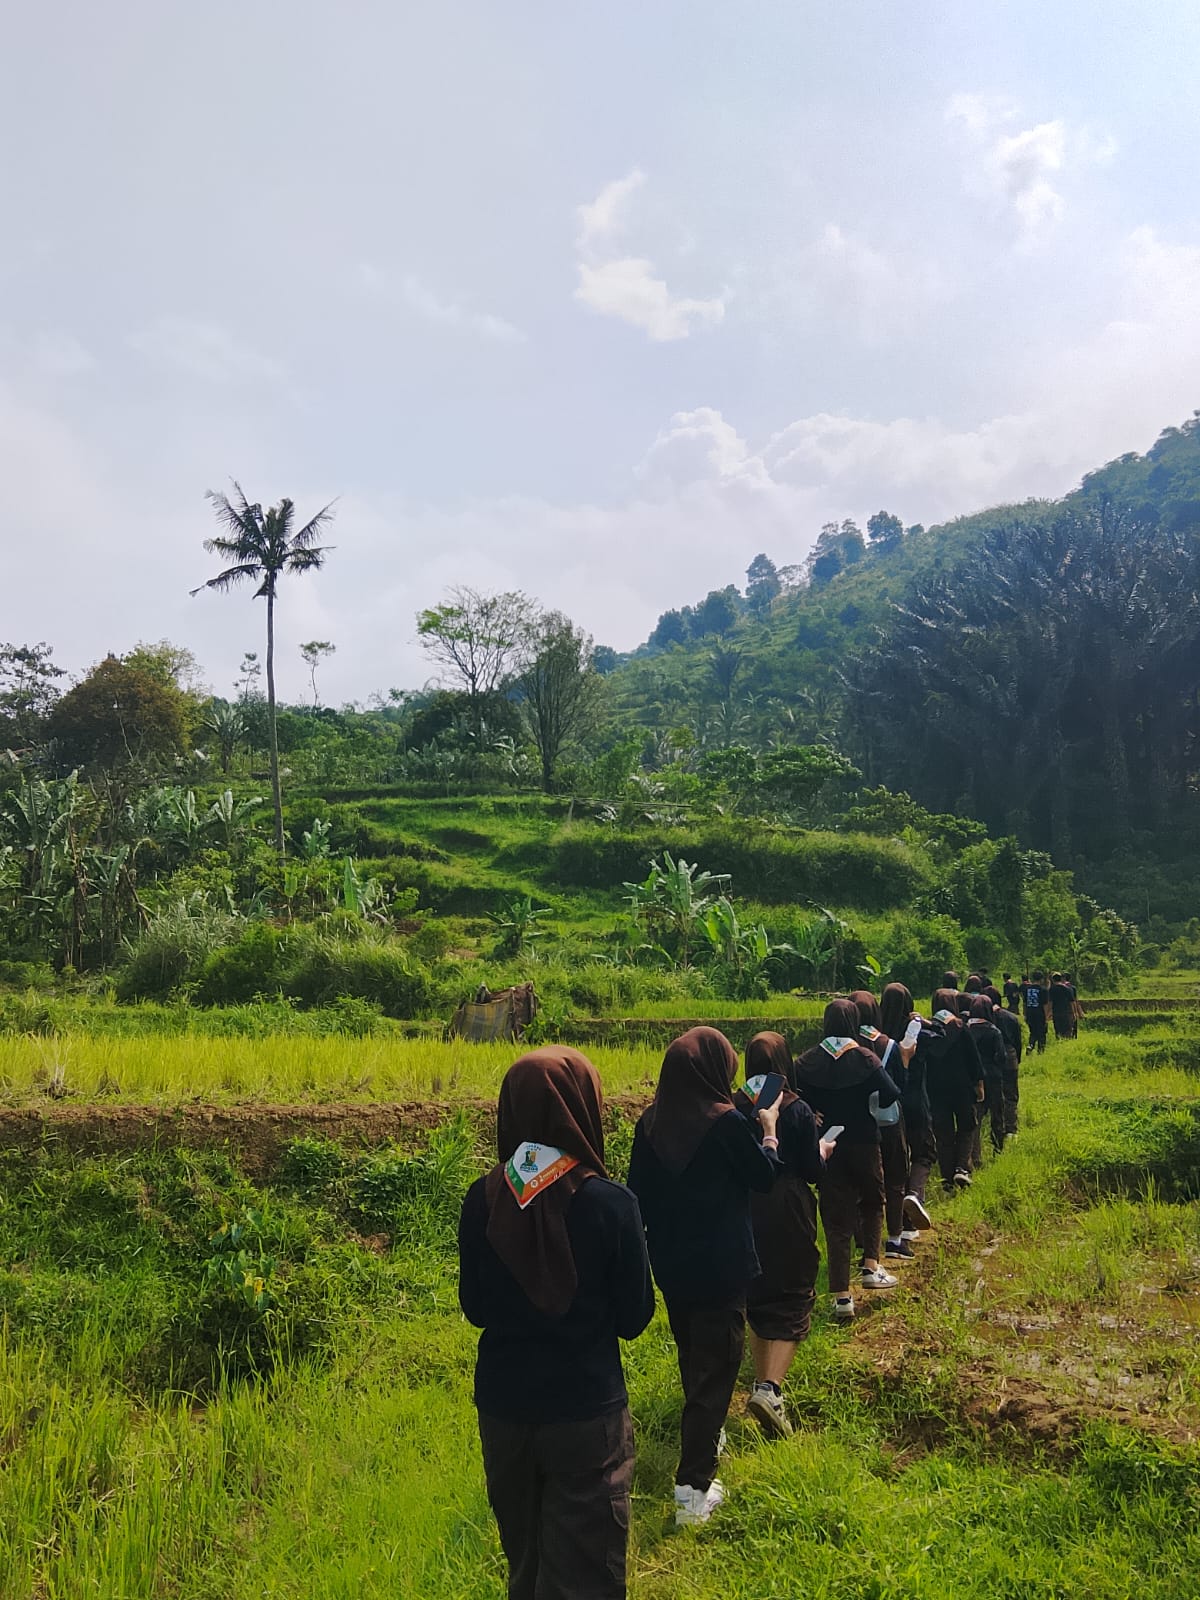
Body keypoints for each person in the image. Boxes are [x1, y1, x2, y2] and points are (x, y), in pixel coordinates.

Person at [458, 1048, 655, 1600]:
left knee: (526, 1565)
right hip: (585, 1414)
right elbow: (635, 1318)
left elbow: (474, 1308)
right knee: (586, 1573)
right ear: (580, 1107)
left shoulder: (482, 1200)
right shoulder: (612, 1204)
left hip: (504, 1412)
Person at [628, 1027, 781, 1526]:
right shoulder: (727, 1123)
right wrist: (770, 1131)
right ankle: (692, 1493)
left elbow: (637, 1198)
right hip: (722, 1268)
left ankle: (705, 1443)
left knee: (695, 1360)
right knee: (717, 1372)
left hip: (672, 1266)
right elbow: (763, 1177)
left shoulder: (648, 1125)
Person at [734, 1031, 830, 1440]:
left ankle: (760, 1382)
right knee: (794, 1293)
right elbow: (811, 1170)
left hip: (744, 1208)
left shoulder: (732, 1106)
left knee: (756, 1292)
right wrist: (822, 1152)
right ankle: (771, 1389)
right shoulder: (796, 1107)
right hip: (788, 1206)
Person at [792, 999, 900, 1322]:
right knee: (871, 1201)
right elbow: (892, 1092)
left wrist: (813, 1112)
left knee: (837, 1220)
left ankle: (842, 1297)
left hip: (828, 1145)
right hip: (865, 1142)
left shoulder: (808, 1060)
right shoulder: (865, 1058)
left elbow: (792, 1095)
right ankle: (870, 1265)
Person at [849, 989, 915, 1261]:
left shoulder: (844, 1045)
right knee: (896, 1178)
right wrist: (906, 1060)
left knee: (857, 1184)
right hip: (887, 1121)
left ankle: (863, 1241)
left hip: (853, 1123)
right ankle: (895, 1238)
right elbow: (900, 1085)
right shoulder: (887, 1044)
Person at [878, 982, 938, 1237]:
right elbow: (940, 1039)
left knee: (895, 1162)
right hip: (916, 1099)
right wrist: (925, 1021)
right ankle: (915, 1196)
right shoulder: (915, 1031)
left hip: (891, 1103)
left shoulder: (878, 1035)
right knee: (924, 1151)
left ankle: (901, 1222)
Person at [927, 988, 985, 1188]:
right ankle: (961, 1168)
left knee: (944, 1133)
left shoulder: (927, 1030)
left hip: (936, 1090)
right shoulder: (961, 1027)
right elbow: (974, 1060)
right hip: (962, 1088)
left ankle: (946, 1177)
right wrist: (978, 1084)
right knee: (967, 1127)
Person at [966, 996, 1007, 1156]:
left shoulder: (967, 1030)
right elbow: (1001, 1056)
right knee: (997, 1113)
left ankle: (975, 1154)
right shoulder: (993, 1030)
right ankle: (998, 1148)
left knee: (977, 1115)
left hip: (974, 1078)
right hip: (993, 1076)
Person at [1021, 970, 1049, 1053]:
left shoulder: (1027, 989)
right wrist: (1046, 1017)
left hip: (1030, 1013)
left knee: (1033, 1032)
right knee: (1041, 1033)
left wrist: (1025, 1014)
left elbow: (1024, 1002)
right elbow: (1045, 1005)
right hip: (1040, 1014)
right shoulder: (1043, 990)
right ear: (1041, 979)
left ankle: (1030, 1045)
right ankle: (1041, 1051)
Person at [1048, 972, 1075, 1042]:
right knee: (1067, 1030)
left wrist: (1049, 1013)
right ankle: (1067, 1043)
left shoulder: (1051, 989)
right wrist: (1074, 1013)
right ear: (1061, 979)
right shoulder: (1067, 988)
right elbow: (1072, 1002)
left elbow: (1050, 1002)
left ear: (1053, 980)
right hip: (1066, 1012)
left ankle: (1059, 1042)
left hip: (1056, 1013)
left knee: (1058, 1030)